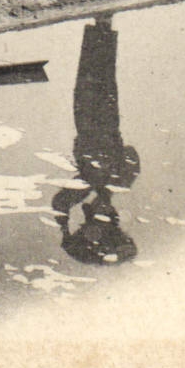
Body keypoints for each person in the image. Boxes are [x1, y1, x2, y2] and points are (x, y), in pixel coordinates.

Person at [52, 15, 141, 266]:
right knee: (101, 80)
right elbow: (132, 154)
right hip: (104, 124)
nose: (103, 209)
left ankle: (102, 26)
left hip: (90, 125)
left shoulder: (91, 186)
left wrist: (64, 226)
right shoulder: (113, 182)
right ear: (111, 216)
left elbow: (60, 201)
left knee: (89, 80)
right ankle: (103, 26)